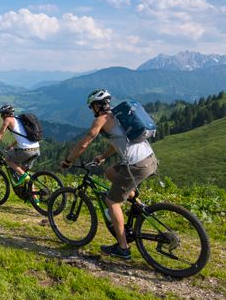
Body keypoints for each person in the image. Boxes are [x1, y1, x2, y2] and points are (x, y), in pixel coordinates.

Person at [60, 89, 158, 260]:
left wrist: (69, 160)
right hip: (148, 159)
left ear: (97, 106)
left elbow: (85, 142)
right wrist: (103, 157)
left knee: (111, 201)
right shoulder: (118, 116)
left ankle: (123, 248)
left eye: (92, 107)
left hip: (136, 165)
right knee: (110, 172)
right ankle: (136, 204)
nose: (92, 111)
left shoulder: (102, 119)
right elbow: (118, 140)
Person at [0, 104, 41, 190]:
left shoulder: (7, 120)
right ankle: (35, 201)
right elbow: (23, 135)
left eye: (1, 115)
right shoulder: (18, 119)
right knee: (25, 174)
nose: (1, 117)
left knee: (8, 159)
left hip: (26, 151)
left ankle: (24, 176)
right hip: (36, 149)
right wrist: (11, 145)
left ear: (5, 114)